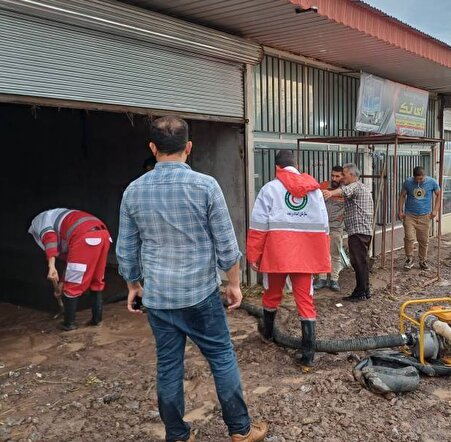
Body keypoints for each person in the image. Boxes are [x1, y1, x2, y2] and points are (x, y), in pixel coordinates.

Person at [117, 116, 267, 442]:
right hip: (200, 295)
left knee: (169, 367)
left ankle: (177, 435)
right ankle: (240, 430)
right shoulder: (206, 186)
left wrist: (133, 286)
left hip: (158, 298)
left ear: (153, 148)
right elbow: (227, 246)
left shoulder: (133, 191)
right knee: (222, 358)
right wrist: (234, 284)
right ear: (188, 147)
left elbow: (126, 249)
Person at [247, 150, 330, 369]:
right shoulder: (315, 191)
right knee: (305, 301)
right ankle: (308, 355)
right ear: (296, 165)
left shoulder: (269, 189)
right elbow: (324, 224)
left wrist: (254, 254)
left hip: (277, 253)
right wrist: (320, 254)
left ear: (277, 167)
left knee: (272, 294)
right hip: (305, 254)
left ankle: (268, 335)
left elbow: (258, 225)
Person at [28, 208, 110, 330]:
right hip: (104, 235)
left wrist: (52, 266)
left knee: (73, 284)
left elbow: (49, 239)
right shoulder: (58, 218)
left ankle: (69, 323)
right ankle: (96, 320)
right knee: (96, 280)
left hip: (84, 236)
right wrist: (61, 282)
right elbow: (71, 260)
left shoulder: (41, 222)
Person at [323, 163, 374, 302]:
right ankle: (365, 290)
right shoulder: (361, 187)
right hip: (361, 231)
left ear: (351, 175)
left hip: (359, 231)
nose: (341, 178)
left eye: (343, 175)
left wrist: (330, 193)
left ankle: (360, 292)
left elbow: (345, 191)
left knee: (358, 262)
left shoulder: (356, 186)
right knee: (360, 262)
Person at [398, 166, 441, 270]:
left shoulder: (432, 182)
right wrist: (400, 211)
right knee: (409, 237)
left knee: (423, 240)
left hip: (425, 215)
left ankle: (422, 261)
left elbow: (438, 194)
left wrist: (435, 210)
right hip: (410, 215)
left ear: (424, 176)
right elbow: (402, 196)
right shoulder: (408, 182)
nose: (419, 181)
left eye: (421, 179)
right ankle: (409, 259)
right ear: (414, 177)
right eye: (417, 179)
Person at [314, 165, 345, 291]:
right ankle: (321, 279)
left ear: (342, 177)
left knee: (335, 253)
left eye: (337, 176)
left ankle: (334, 279)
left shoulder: (345, 190)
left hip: (337, 228)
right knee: (322, 253)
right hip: (322, 227)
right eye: (333, 175)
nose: (334, 178)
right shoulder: (322, 186)